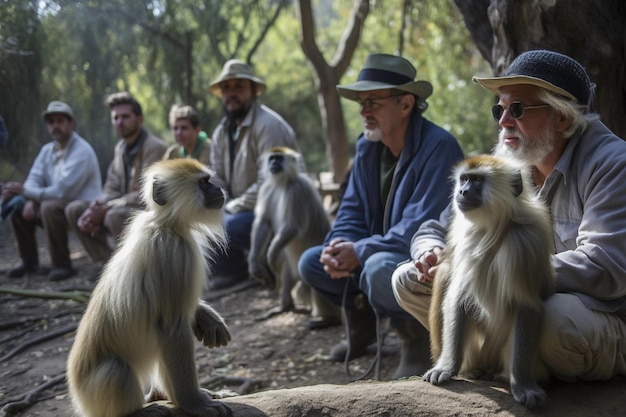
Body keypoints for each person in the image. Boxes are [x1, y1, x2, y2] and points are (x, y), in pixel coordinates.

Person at [392, 49, 626, 382]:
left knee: (553, 319)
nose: (503, 121)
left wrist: (503, 269)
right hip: (515, 301)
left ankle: (532, 367)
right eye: (498, 109)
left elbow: (607, 268)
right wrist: (428, 250)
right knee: (407, 281)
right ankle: (491, 362)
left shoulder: (612, 164)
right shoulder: (510, 157)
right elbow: (436, 225)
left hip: (601, 315)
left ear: (563, 117)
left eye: (517, 109)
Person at [297, 53, 464, 379]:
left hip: (422, 261)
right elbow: (351, 208)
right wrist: (338, 244)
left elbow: (419, 227)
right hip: (378, 252)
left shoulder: (439, 146)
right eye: (361, 102)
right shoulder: (368, 146)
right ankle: (360, 326)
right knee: (312, 262)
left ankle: (416, 338)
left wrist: (359, 252)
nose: (363, 111)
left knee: (375, 269)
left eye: (373, 101)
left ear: (405, 105)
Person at [208, 58, 300, 290]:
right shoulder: (221, 132)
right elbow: (216, 178)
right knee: (201, 223)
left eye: (239, 87)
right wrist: (216, 206)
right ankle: (236, 269)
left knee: (227, 227)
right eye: (226, 88)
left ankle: (253, 267)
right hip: (242, 210)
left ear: (253, 91)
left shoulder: (268, 125)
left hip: (279, 210)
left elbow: (269, 183)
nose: (232, 93)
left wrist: (230, 209)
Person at [65, 92, 166, 274]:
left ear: (140, 119)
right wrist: (96, 207)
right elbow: (111, 185)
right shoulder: (120, 148)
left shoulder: (155, 147)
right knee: (75, 210)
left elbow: (148, 193)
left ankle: (138, 270)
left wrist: (107, 207)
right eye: (116, 117)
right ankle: (108, 266)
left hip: (151, 211)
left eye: (125, 117)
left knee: (114, 216)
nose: (120, 122)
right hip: (121, 207)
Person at [2, 101, 101, 281]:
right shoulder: (47, 150)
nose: (55, 126)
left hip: (81, 207)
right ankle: (28, 261)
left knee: (48, 206)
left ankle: (62, 264)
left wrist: (29, 193)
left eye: (60, 121)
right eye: (51, 122)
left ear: (71, 124)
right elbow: (33, 179)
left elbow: (63, 190)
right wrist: (30, 198)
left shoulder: (82, 150)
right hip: (56, 202)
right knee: (19, 203)